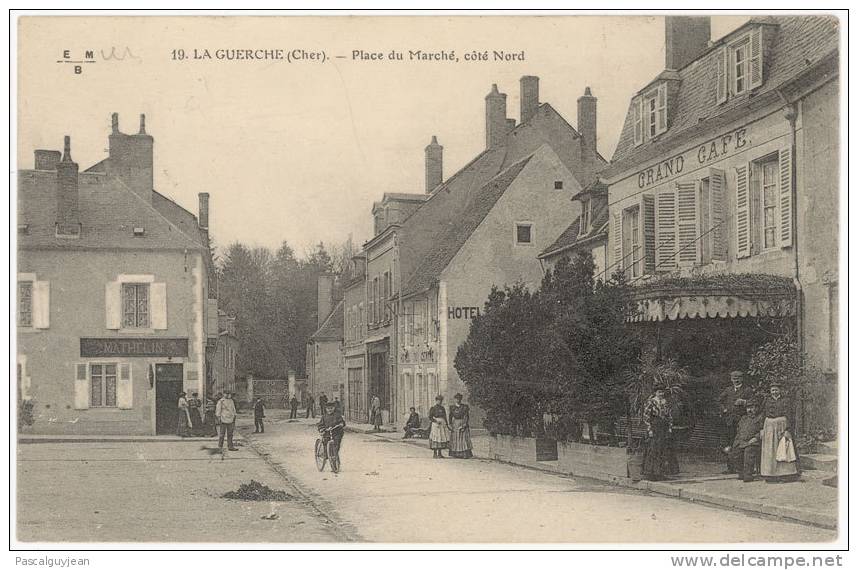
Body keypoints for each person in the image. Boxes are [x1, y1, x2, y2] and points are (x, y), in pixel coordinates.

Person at [760, 383, 800, 483]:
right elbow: (763, 414)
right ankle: (770, 475)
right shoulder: (767, 401)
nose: (774, 392)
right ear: (770, 391)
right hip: (769, 427)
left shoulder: (786, 401)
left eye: (776, 390)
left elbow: (790, 415)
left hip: (782, 426)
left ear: (780, 390)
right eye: (772, 390)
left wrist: (788, 430)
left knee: (783, 449)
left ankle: (784, 475)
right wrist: (762, 428)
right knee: (770, 451)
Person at [719, 371, 754, 473]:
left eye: (738, 378)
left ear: (742, 379)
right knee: (729, 444)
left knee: (740, 443)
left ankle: (740, 468)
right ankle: (730, 468)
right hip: (729, 422)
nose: (736, 380)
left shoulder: (747, 390)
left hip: (742, 422)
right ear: (731, 379)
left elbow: (755, 402)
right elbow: (719, 401)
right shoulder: (728, 390)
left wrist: (745, 402)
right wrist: (723, 409)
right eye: (734, 378)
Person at [642, 385, 677, 481]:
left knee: (663, 449)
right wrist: (649, 430)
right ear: (655, 393)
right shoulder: (651, 402)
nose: (661, 394)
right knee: (653, 449)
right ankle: (651, 473)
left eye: (662, 392)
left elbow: (669, 416)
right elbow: (646, 417)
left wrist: (670, 427)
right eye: (659, 392)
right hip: (655, 428)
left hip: (663, 428)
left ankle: (660, 473)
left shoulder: (665, 402)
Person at [727, 400, 764, 482]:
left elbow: (762, 431)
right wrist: (735, 442)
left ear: (756, 408)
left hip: (753, 442)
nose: (750, 410)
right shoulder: (743, 418)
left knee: (748, 453)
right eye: (748, 408)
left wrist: (756, 438)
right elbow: (739, 431)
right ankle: (741, 472)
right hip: (741, 441)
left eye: (752, 408)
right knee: (734, 453)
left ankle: (748, 475)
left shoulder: (760, 418)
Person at [448, 393, 473, 458]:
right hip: (455, 424)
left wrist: (464, 425)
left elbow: (467, 416)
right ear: (454, 399)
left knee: (463, 438)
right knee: (456, 438)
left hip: (462, 422)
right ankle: (456, 454)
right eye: (456, 399)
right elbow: (450, 416)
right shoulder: (452, 407)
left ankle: (464, 454)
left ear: (461, 399)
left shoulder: (464, 407)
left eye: (459, 399)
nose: (458, 400)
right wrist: (450, 424)